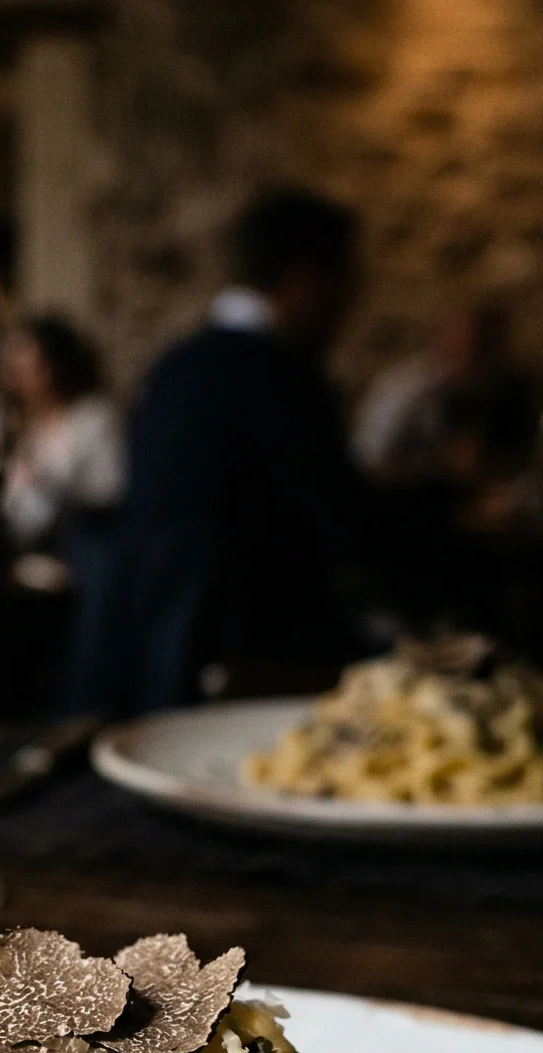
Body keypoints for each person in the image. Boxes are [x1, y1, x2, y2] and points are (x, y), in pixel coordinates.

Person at [68, 188, 372, 714]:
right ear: (304, 280)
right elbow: (341, 525)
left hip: (141, 654)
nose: (351, 302)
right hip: (236, 663)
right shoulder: (283, 377)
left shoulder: (176, 363)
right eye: (346, 281)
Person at [353, 304, 535, 493]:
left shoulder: (504, 390)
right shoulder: (408, 392)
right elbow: (372, 462)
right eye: (467, 343)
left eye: (486, 346)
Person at [0, 316, 125, 564]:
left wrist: (48, 479)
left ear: (54, 365)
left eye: (29, 362)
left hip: (80, 554)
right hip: (19, 553)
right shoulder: (16, 424)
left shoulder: (91, 418)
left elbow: (109, 491)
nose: (17, 371)